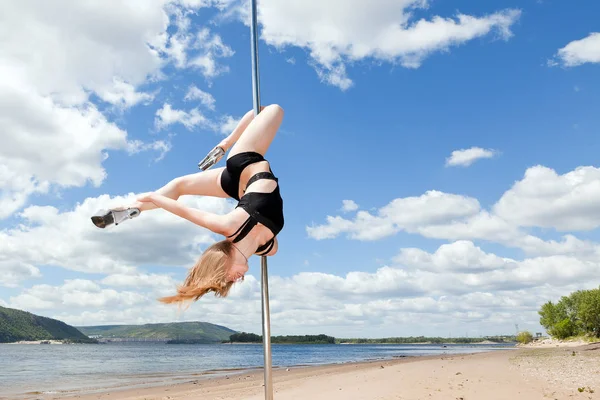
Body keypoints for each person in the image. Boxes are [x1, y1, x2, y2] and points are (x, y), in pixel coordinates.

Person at [91, 104, 285, 304]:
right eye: (227, 282)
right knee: (179, 185)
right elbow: (257, 245)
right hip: (240, 188)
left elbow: (183, 211)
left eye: (224, 278)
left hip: (244, 162)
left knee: (272, 109)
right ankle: (135, 207)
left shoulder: (229, 227)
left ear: (221, 264)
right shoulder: (268, 248)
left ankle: (133, 207)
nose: (233, 281)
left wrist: (150, 196)